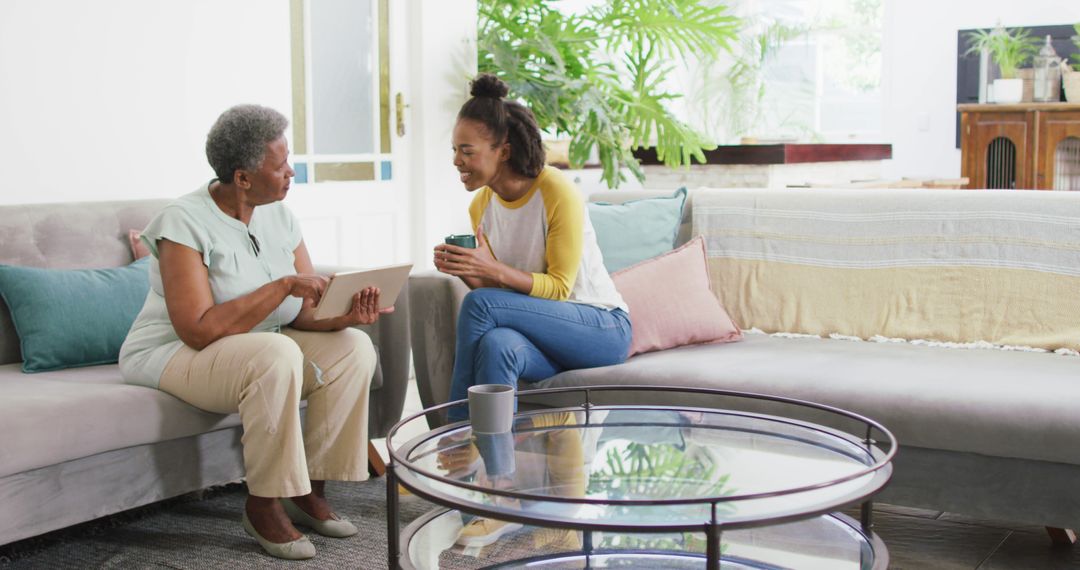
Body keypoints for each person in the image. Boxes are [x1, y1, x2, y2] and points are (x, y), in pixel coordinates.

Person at [119, 104, 392, 561]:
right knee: (275, 353)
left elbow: (305, 314)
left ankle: (307, 489)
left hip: (259, 344)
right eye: (280, 165)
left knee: (352, 348)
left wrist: (346, 315)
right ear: (242, 177)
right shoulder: (180, 223)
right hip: (172, 352)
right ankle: (263, 503)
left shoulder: (280, 216)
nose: (291, 173)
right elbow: (199, 330)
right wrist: (283, 284)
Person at [432, 73, 632, 545]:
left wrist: (488, 278)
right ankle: (501, 493)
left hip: (599, 326)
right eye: (455, 150)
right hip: (541, 335)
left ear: (502, 149)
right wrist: (469, 270)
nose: (457, 161)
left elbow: (559, 288)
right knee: (499, 341)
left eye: (467, 150)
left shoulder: (553, 189)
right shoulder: (482, 205)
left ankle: (457, 438)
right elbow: (505, 301)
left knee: (483, 306)